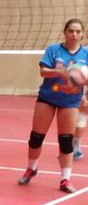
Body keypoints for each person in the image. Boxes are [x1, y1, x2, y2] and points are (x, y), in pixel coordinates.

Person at [19, 18, 87, 193]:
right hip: (48, 98)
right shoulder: (53, 50)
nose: (74, 35)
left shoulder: (85, 54)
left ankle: (65, 179)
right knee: (36, 137)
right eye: (71, 31)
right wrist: (61, 72)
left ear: (82, 34)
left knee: (66, 141)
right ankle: (31, 169)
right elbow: (43, 71)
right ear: (65, 32)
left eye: (78, 32)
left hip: (70, 102)